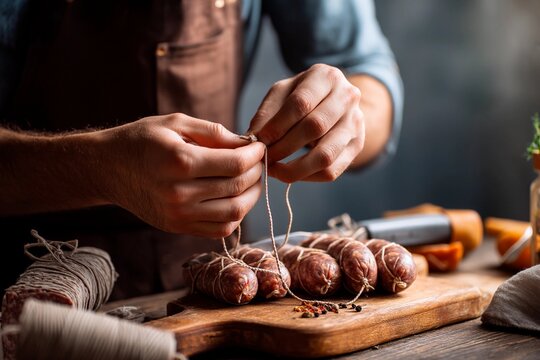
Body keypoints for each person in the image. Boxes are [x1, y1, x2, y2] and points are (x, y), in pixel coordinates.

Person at [0, 0, 402, 299]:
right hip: (24, 293)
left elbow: (363, 68)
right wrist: (97, 168)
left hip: (217, 287)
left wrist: (347, 113)